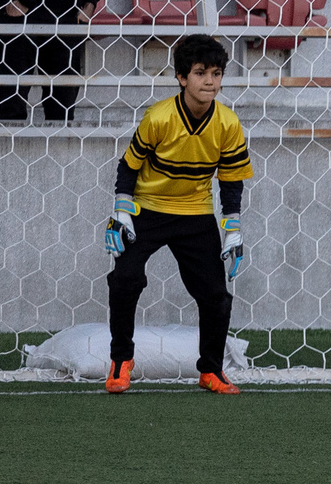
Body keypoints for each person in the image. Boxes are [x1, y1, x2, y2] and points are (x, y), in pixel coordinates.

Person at [104, 34, 252, 394]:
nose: (210, 82)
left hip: (195, 213)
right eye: (201, 73)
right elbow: (128, 167)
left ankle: (211, 371)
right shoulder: (158, 117)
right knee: (124, 280)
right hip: (148, 210)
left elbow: (231, 181)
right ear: (182, 78)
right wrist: (122, 210)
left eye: (216, 73)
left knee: (216, 294)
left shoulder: (228, 124)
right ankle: (121, 360)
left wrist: (232, 227)